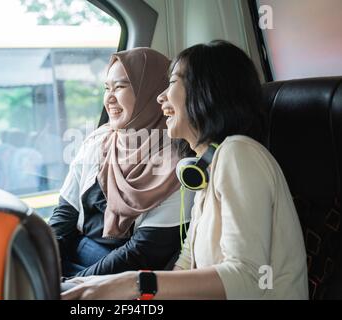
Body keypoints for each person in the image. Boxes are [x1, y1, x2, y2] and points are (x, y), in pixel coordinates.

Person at [61, 40, 308, 299]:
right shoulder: (201, 168)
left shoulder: (239, 154)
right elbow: (187, 260)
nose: (160, 97)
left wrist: (132, 283)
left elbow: (249, 278)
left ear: (207, 91)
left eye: (172, 83)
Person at [49, 47, 193, 278]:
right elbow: (65, 215)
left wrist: (73, 286)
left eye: (120, 87)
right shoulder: (97, 140)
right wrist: (42, 264)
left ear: (152, 91)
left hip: (118, 279)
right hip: (70, 265)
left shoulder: (179, 161)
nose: (110, 98)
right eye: (107, 88)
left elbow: (143, 252)